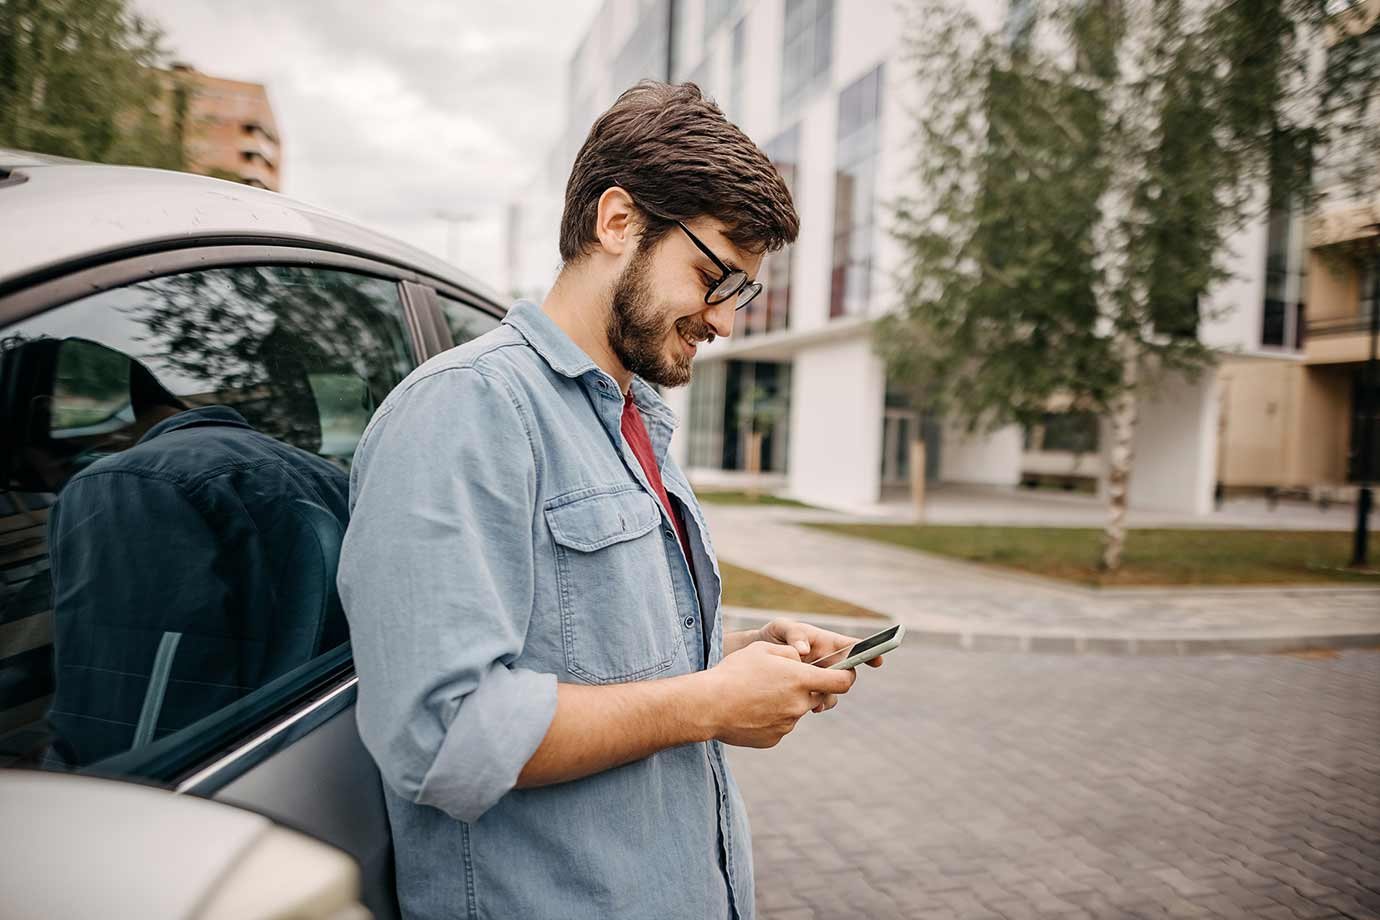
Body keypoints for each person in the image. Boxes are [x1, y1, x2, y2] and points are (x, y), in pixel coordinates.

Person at [337, 81, 883, 920]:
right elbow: (445, 734)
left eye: (741, 294)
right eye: (714, 277)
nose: (725, 323)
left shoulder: (637, 417)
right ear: (618, 221)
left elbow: (578, 642)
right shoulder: (466, 409)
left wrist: (735, 653)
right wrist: (708, 702)